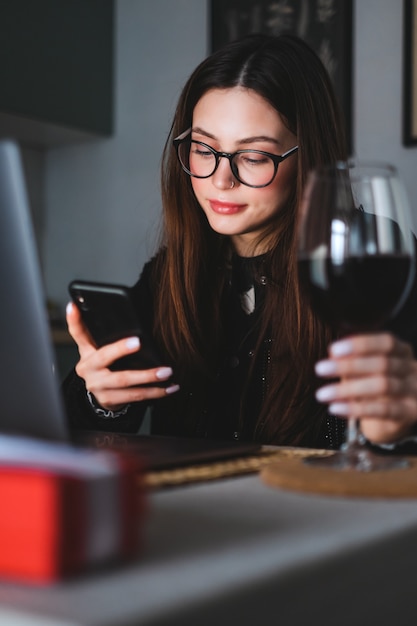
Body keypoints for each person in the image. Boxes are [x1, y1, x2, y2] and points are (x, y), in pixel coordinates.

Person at [63, 33, 417, 451]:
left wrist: (398, 433)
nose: (220, 180)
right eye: (202, 148)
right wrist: (102, 400)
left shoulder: (370, 256)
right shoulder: (169, 275)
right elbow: (65, 430)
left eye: (253, 157)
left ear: (308, 157)